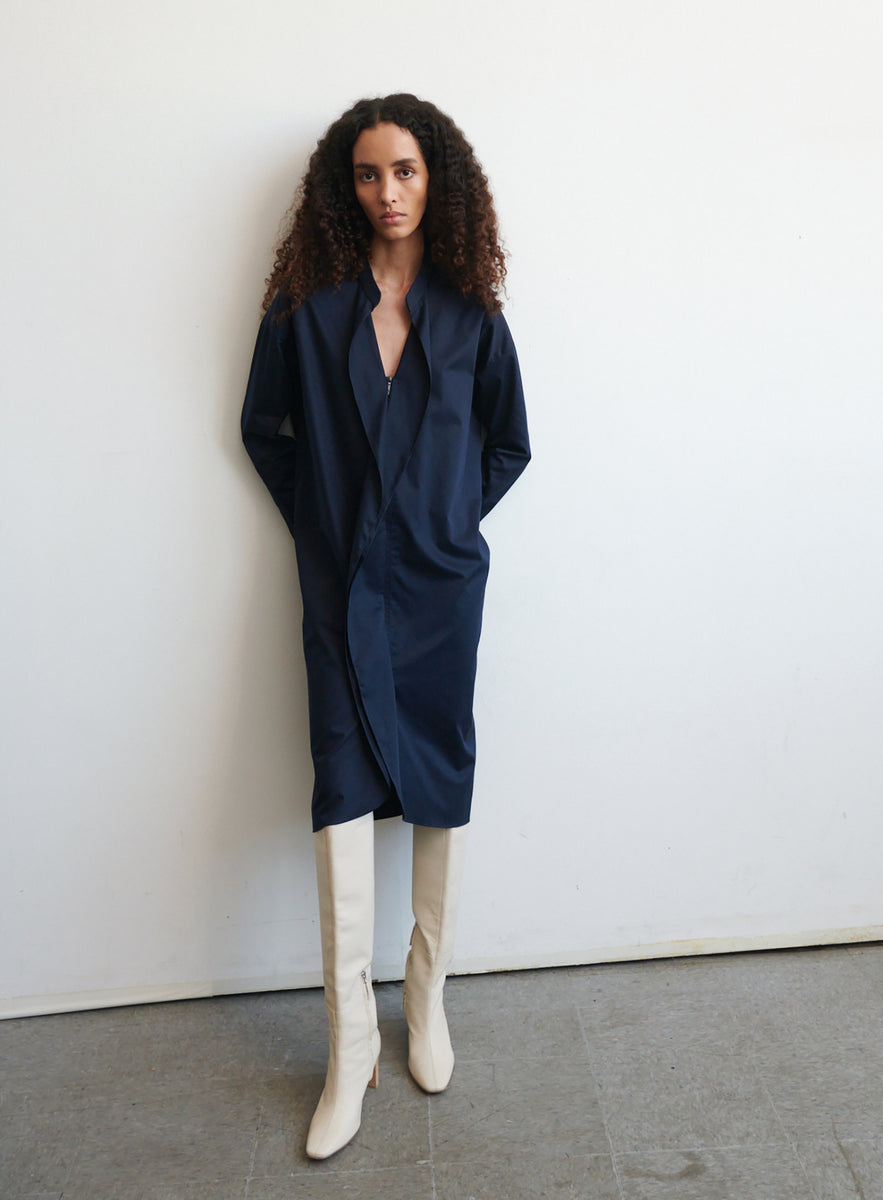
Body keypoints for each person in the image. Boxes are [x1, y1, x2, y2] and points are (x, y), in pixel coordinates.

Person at [241, 93, 530, 1160]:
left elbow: (511, 442)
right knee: (342, 786)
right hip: (337, 585)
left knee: (441, 774)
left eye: (405, 171)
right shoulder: (308, 307)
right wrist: (323, 528)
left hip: (442, 588)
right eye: (369, 174)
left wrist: (444, 523)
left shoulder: (471, 312)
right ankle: (348, 1038)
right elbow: (259, 426)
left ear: (435, 178)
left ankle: (426, 1000)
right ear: (344, 186)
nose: (389, 192)